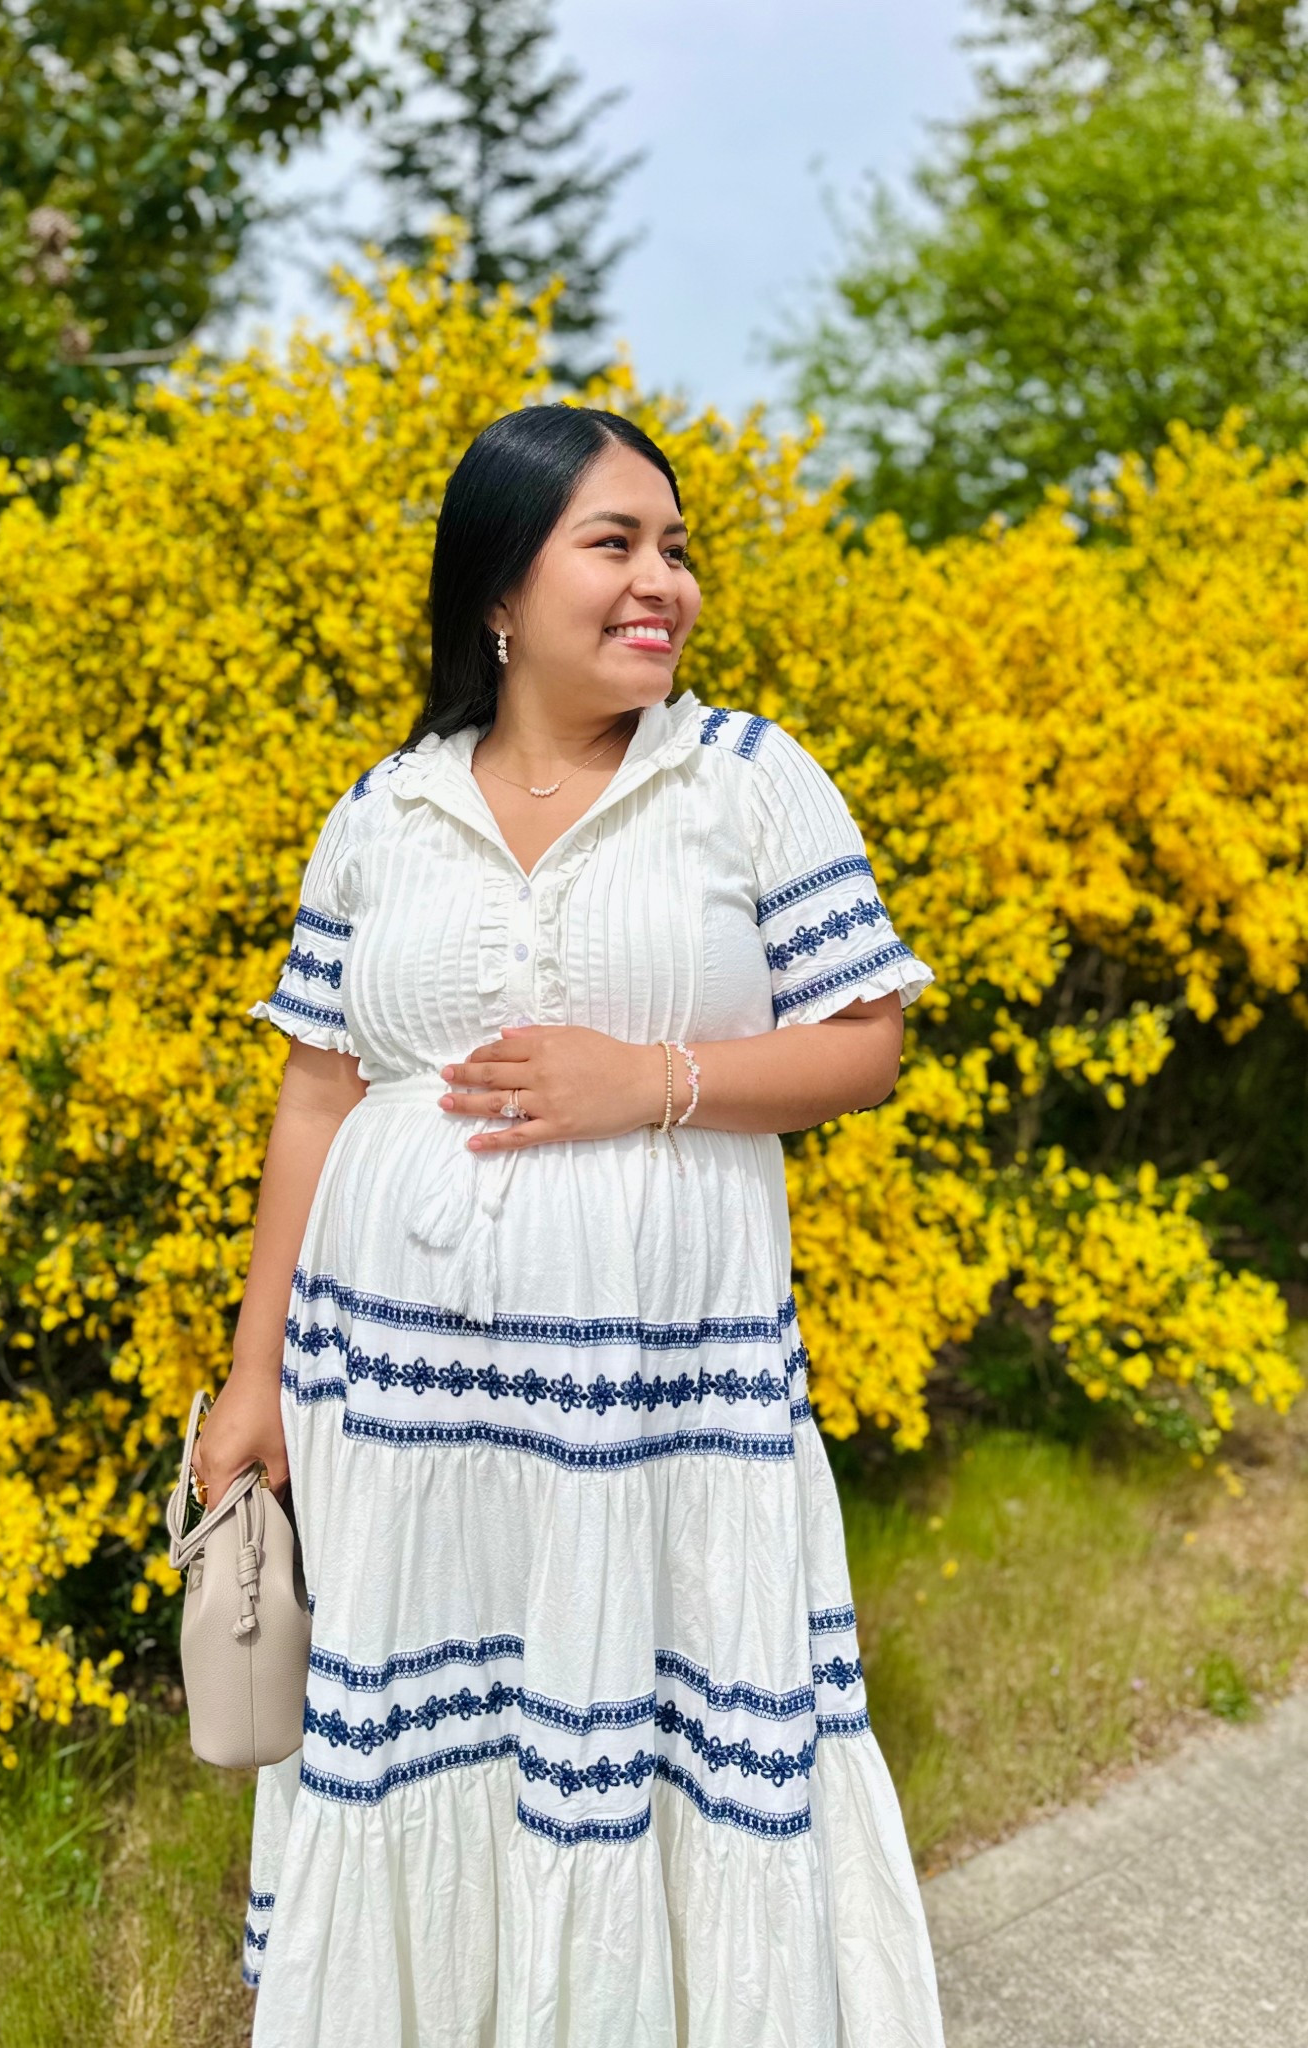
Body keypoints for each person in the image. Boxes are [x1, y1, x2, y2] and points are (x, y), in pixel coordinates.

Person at [194, 404, 947, 2047]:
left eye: (675, 548)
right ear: (498, 589)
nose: (660, 581)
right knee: (428, 1740)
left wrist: (650, 1079)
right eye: (613, 543)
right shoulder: (383, 810)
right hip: (399, 1405)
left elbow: (864, 1048)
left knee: (651, 1732)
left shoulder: (739, 778)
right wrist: (252, 1384)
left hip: (651, 1410)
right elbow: (316, 1096)